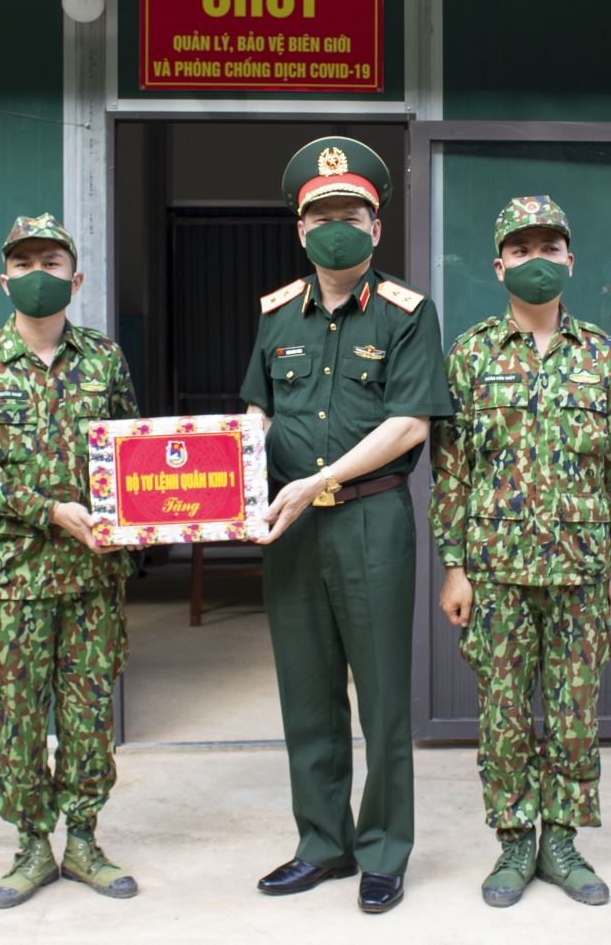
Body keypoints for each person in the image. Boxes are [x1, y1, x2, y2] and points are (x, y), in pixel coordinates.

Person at [240, 136, 453, 914]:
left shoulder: (407, 313)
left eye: (351, 215)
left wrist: (317, 481)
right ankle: (321, 842)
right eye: (323, 216)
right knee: (307, 691)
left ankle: (383, 849)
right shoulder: (274, 315)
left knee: (382, 696)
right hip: (291, 529)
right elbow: (258, 411)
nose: (337, 227)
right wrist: (236, 483)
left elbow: (410, 424)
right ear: (301, 230)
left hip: (371, 519)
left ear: (376, 226)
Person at [429, 196, 611, 908]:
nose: (537, 261)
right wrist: (453, 566)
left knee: (576, 712)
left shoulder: (602, 354)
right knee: (505, 713)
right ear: (499, 266)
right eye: (521, 250)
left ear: (570, 261)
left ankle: (563, 841)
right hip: (495, 571)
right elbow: (451, 471)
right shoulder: (471, 353)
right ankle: (516, 839)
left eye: (549, 248)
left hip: (581, 569)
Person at [0, 214, 140, 907]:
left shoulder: (104, 360)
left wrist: (138, 521)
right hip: (13, 577)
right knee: (20, 714)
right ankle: (31, 845)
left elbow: (132, 454)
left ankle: (83, 839)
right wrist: (47, 509)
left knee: (89, 713)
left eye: (50, 263)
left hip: (92, 577)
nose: (37, 275)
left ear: (75, 279)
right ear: (4, 279)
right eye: (23, 263)